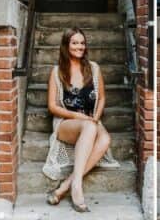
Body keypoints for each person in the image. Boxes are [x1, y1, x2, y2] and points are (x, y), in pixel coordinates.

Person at [44, 28, 118, 213]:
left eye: (82, 43)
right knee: (89, 127)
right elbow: (52, 107)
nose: (79, 47)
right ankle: (77, 188)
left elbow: (101, 98)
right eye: (75, 43)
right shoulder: (57, 72)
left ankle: (67, 185)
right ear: (66, 45)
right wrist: (79, 117)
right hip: (67, 122)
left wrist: (95, 117)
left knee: (105, 139)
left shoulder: (93, 68)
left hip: (90, 119)